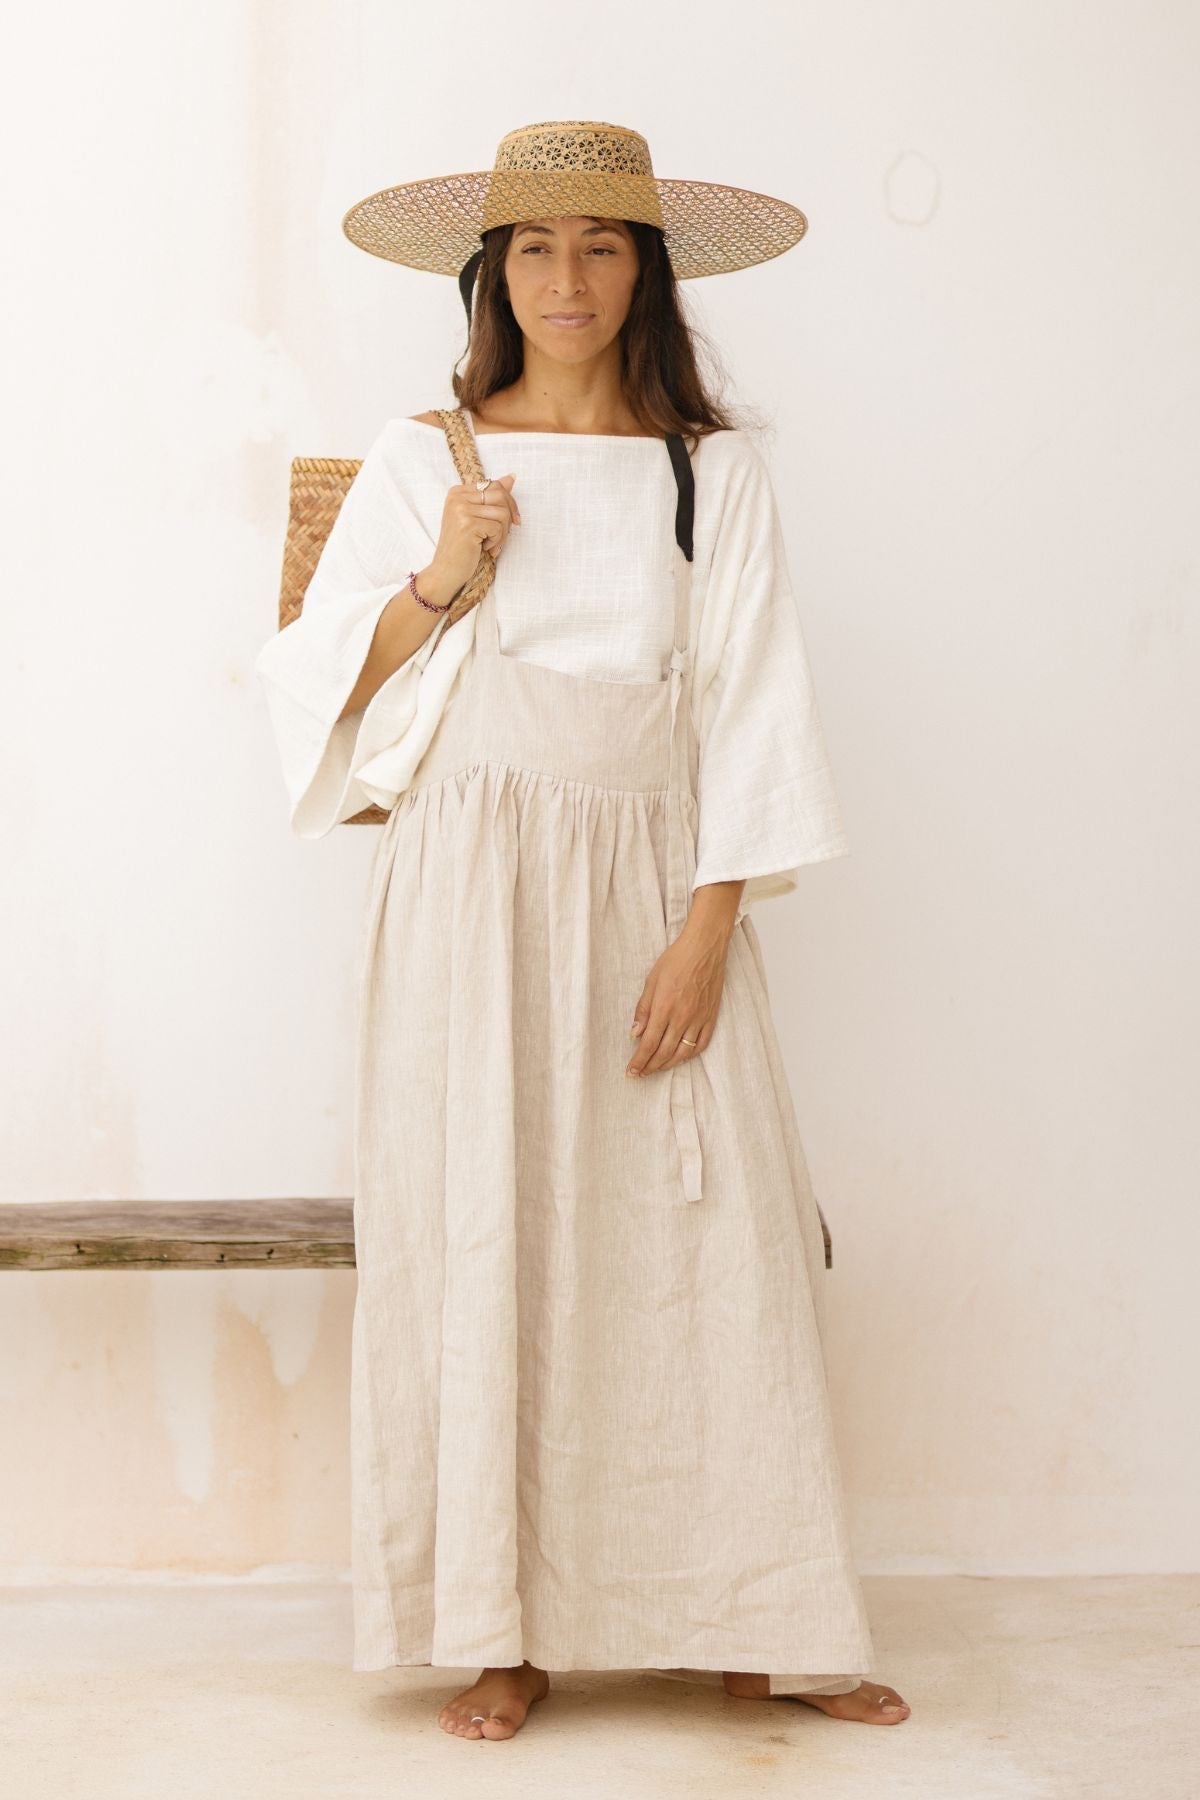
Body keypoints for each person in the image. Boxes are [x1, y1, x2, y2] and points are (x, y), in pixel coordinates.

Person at [255, 119, 910, 1742]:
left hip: (657, 875)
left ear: (647, 271)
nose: (569, 278)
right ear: (492, 275)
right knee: (482, 1230)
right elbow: (313, 679)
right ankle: (500, 1624)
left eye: (603, 246)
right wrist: (441, 578)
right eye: (536, 249)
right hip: (470, 884)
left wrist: (707, 934)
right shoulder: (431, 456)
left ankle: (755, 1615)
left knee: (714, 1242)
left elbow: (754, 704)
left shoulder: (715, 469)